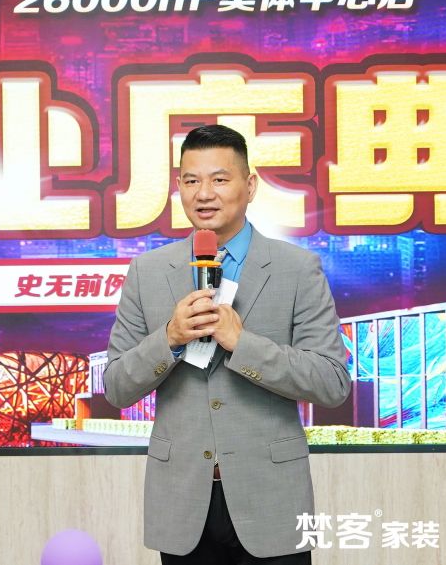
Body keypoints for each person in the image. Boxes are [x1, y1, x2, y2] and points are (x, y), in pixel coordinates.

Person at [103, 124, 351, 564]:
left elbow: (332, 382)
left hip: (272, 499)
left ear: (249, 186)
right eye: (191, 181)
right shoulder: (147, 271)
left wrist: (243, 344)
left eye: (220, 179)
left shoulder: (297, 269)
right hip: (182, 502)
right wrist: (170, 338)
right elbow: (117, 386)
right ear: (179, 187)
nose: (204, 194)